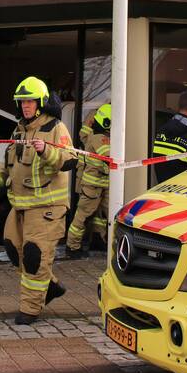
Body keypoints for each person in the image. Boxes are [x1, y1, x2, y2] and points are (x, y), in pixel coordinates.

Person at [0, 76, 73, 325]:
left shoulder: (55, 128)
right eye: (22, 102)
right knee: (13, 250)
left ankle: (30, 308)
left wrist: (46, 150)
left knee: (34, 257)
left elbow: (70, 159)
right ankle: (50, 287)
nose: (25, 106)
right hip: (20, 205)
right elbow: (7, 164)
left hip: (46, 208)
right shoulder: (19, 129)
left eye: (30, 101)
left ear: (41, 102)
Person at [66, 103, 111, 259]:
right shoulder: (100, 138)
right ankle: (72, 247)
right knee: (83, 215)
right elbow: (109, 157)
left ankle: (98, 239)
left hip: (100, 183)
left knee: (100, 215)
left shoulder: (99, 134)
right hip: (93, 184)